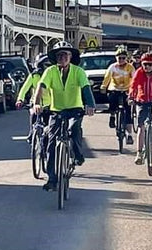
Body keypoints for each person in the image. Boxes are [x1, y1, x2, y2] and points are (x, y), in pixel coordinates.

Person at [33, 41, 96, 191]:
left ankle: (78, 155)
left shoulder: (78, 71)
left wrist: (90, 105)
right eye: (60, 55)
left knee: (74, 129)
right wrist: (36, 103)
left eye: (66, 55)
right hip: (57, 111)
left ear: (71, 57)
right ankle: (52, 179)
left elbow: (86, 88)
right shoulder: (50, 71)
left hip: (75, 109)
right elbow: (41, 87)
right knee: (51, 142)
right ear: (56, 58)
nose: (63, 58)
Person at [100, 46, 135, 145]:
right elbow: (107, 78)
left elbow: (134, 79)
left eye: (123, 58)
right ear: (116, 58)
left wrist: (134, 90)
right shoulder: (112, 67)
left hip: (126, 90)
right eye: (119, 58)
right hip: (114, 89)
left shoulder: (130, 67)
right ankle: (112, 116)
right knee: (112, 100)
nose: (121, 60)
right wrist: (103, 86)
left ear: (126, 59)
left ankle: (129, 135)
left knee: (128, 111)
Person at [16, 53, 51, 141]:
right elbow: (24, 89)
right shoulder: (34, 75)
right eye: (46, 65)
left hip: (50, 104)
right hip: (35, 103)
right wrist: (20, 99)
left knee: (49, 127)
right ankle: (32, 133)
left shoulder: (52, 75)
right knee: (33, 114)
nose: (47, 67)